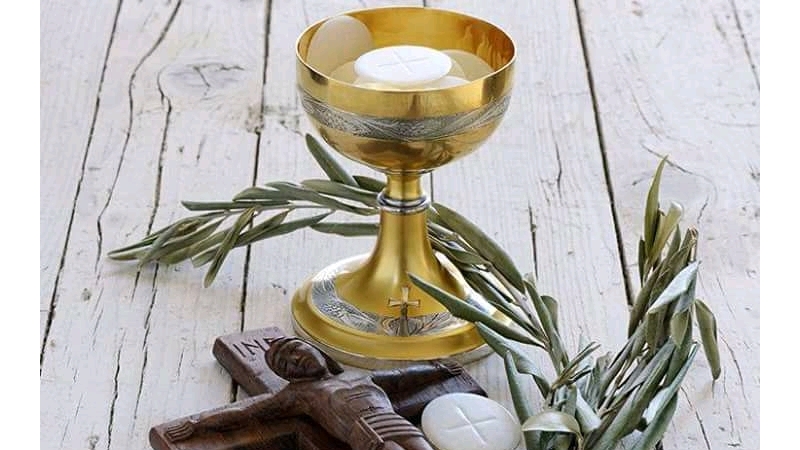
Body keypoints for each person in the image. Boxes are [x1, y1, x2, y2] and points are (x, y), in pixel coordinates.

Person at [163, 336, 463, 450]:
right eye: (285, 364)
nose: (295, 359)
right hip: (366, 435)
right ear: (289, 377)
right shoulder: (301, 394)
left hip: (395, 422)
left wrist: (440, 369)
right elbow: (246, 413)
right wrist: (197, 424)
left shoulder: (357, 375)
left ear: (316, 350)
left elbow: (402, 378)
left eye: (296, 350)